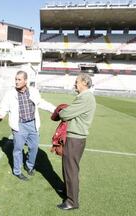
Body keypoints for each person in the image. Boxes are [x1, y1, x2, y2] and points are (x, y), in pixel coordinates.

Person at [0, 71, 55, 181]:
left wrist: (54, 110)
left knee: (34, 147)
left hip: (32, 124)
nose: (17, 82)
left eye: (19, 79)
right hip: (19, 125)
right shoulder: (10, 94)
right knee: (18, 149)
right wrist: (0, 114)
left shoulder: (33, 91)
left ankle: (29, 165)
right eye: (16, 79)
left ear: (25, 81)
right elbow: (4, 107)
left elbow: (41, 102)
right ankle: (17, 171)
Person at [57, 73, 96, 210]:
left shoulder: (85, 97)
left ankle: (72, 201)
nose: (75, 84)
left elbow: (64, 114)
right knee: (68, 168)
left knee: (71, 169)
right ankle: (69, 192)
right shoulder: (85, 97)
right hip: (75, 137)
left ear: (84, 83)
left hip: (75, 138)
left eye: (77, 81)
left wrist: (62, 111)